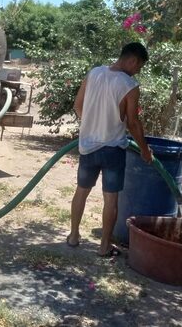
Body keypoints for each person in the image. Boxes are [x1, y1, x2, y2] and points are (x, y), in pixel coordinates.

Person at [67, 42, 153, 257]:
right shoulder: (129, 85)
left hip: (88, 147)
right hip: (113, 149)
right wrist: (145, 150)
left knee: (81, 192)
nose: (137, 71)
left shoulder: (94, 73)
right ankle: (104, 246)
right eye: (139, 66)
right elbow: (133, 123)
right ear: (133, 60)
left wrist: (90, 125)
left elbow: (78, 105)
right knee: (110, 200)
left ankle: (74, 236)